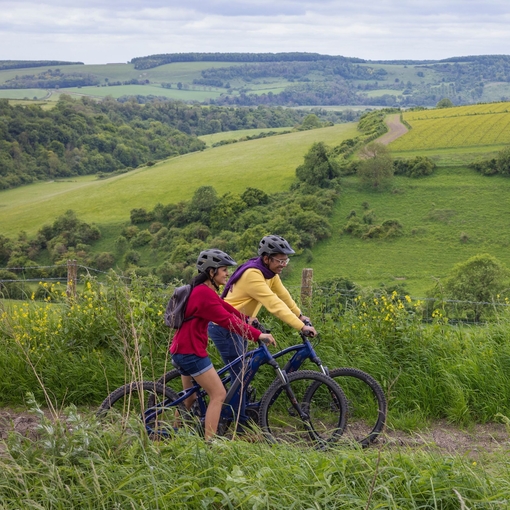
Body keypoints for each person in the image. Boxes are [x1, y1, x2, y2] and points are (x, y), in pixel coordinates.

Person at [208, 234, 316, 429]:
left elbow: (283, 296)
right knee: (240, 377)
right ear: (266, 258)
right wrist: (300, 326)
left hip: (241, 325)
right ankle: (237, 426)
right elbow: (273, 304)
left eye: (286, 260)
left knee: (243, 374)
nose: (284, 264)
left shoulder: (269, 274)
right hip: (225, 327)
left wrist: (300, 315)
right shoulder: (253, 274)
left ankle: (235, 415)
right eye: (280, 260)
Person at [169, 248, 275, 442]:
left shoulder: (202, 290)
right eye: (224, 269)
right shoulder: (203, 294)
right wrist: (258, 335)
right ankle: (210, 444)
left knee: (189, 397)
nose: (227, 274)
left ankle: (172, 434)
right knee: (218, 394)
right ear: (211, 272)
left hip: (180, 350)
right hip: (192, 352)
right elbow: (227, 321)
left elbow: (226, 308)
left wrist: (247, 318)